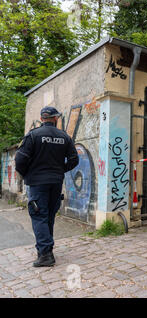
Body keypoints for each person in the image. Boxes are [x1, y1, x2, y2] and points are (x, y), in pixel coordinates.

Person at [15, 106, 79, 267]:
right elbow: (74, 160)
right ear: (56, 118)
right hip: (56, 182)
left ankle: (45, 255)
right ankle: (46, 249)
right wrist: (59, 170)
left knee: (38, 216)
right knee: (48, 215)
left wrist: (27, 173)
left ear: (42, 118)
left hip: (37, 183)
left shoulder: (33, 135)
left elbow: (20, 160)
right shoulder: (64, 137)